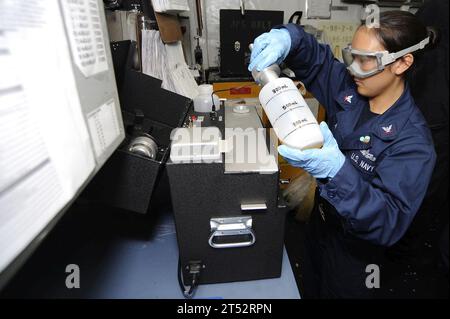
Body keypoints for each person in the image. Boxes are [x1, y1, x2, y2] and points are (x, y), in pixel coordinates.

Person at [249, 10, 437, 298]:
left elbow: (387, 220)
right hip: (320, 228)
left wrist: (336, 173)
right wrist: (289, 38)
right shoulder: (350, 90)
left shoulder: (413, 143)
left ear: (402, 63)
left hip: (358, 256)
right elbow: (316, 60)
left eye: (366, 60)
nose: (352, 68)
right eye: (352, 55)